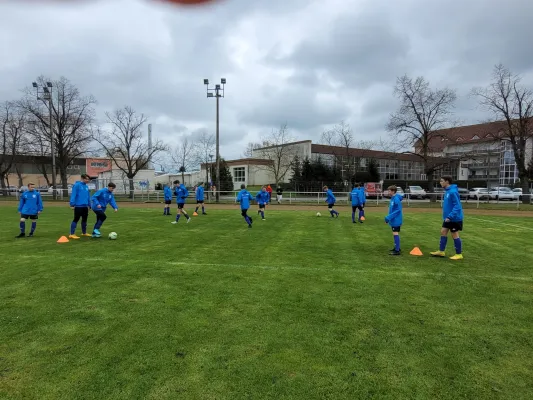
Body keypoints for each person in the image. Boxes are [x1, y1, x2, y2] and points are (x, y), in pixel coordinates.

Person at [431, 176, 464, 260]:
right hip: (448, 218)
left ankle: (459, 254)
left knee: (454, 234)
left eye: (442, 181)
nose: (440, 182)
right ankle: (441, 251)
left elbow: (457, 206)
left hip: (454, 218)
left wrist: (450, 216)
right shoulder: (447, 192)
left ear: (447, 182)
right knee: (443, 231)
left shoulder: (452, 192)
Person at [69, 174, 91, 239]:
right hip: (78, 206)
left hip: (85, 206)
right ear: (82, 178)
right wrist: (72, 204)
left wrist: (89, 205)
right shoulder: (77, 185)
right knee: (76, 219)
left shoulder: (86, 187)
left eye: (88, 179)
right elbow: (73, 195)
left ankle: (84, 233)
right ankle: (72, 234)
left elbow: (88, 196)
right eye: (86, 179)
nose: (88, 180)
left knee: (84, 220)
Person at [384, 185, 403, 255]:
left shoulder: (396, 199)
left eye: (389, 191)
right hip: (393, 219)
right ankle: (396, 247)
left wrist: (388, 217)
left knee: (395, 233)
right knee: (394, 233)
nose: (388, 192)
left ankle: (397, 250)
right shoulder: (393, 198)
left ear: (393, 191)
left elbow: (398, 210)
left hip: (396, 219)